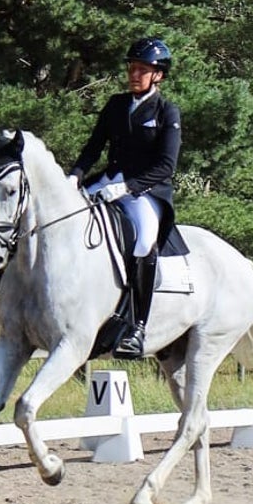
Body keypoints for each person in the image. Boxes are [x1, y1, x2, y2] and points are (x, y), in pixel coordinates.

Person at [68, 36, 181, 358]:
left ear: (158, 75)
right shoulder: (116, 104)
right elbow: (93, 147)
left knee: (145, 242)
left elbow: (166, 166)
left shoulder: (166, 111)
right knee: (64, 217)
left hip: (144, 192)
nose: (134, 74)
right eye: (132, 68)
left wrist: (129, 187)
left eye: (142, 70)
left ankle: (137, 326)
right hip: (106, 181)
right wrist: (74, 175)